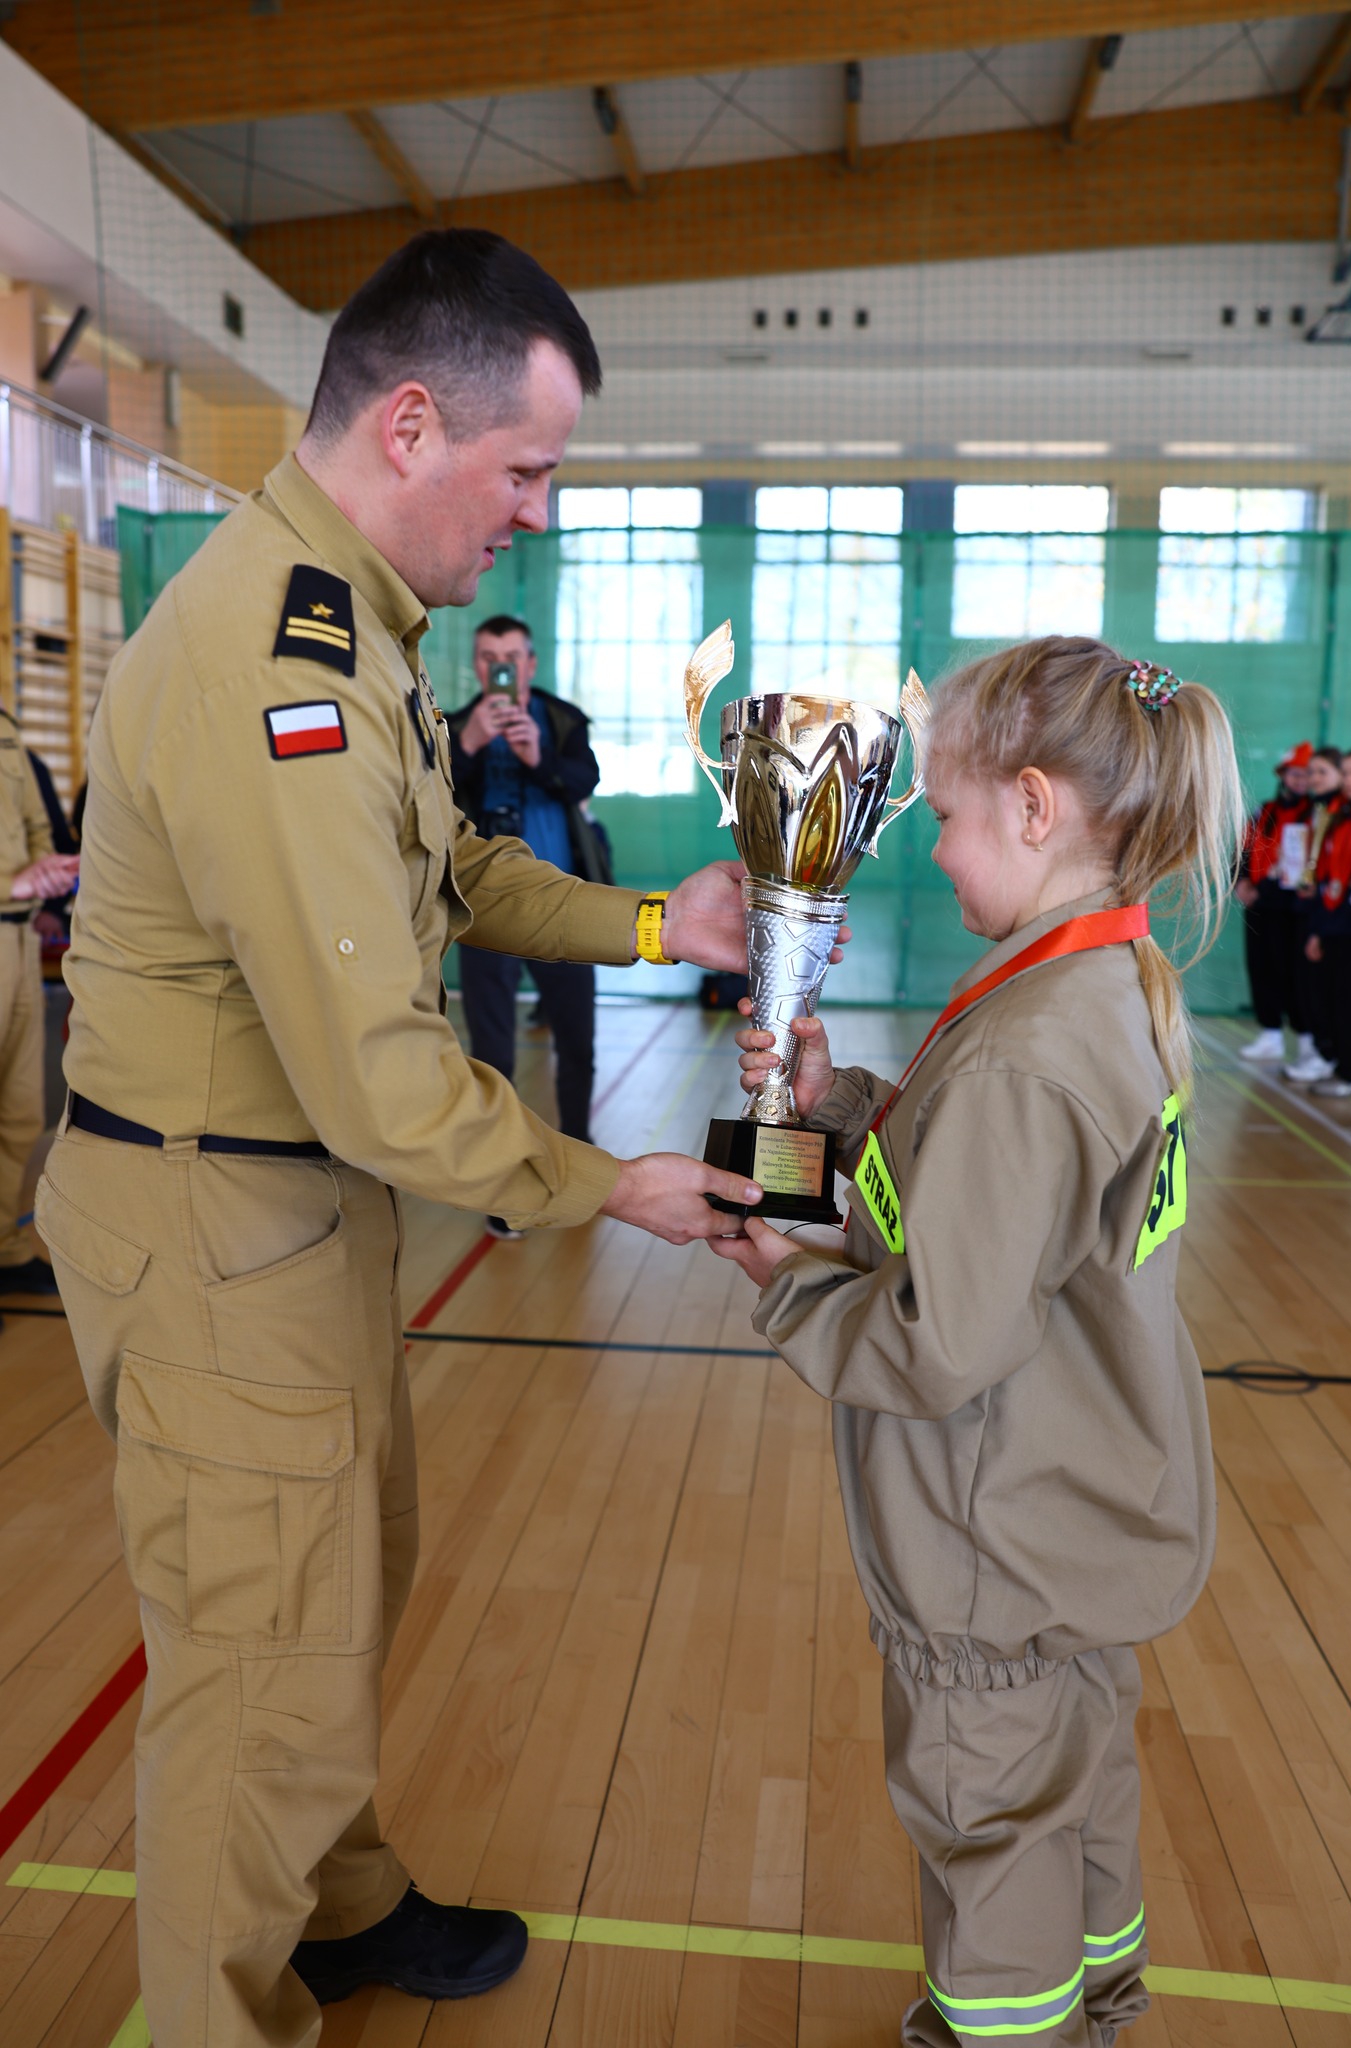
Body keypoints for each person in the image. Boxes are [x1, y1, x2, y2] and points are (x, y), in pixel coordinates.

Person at [33, 228, 806, 2048]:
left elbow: (447, 867)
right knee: (255, 1666)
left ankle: (337, 1902)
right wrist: (607, 1181)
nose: (533, 511)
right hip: (218, 1223)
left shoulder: (351, 619)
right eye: (525, 467)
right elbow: (385, 1075)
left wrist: (652, 926)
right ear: (408, 422)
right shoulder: (270, 667)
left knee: (334, 1583)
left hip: (283, 1220)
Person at [714, 637, 1240, 2048]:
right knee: (1077, 1796)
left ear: (1029, 804)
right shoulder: (1092, 986)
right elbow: (980, 1196)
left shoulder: (1028, 1047)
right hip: (1077, 1518)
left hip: (989, 1541)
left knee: (992, 1828)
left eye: (942, 819)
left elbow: (937, 1340)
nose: (933, 855)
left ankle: (1011, 2028)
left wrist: (779, 1280)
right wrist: (833, 1112)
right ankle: (1099, 2003)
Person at [448, 614, 602, 1238]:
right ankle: (504, 1182)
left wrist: (539, 758)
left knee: (578, 1043)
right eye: (489, 658)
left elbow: (584, 780)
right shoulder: (452, 725)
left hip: (569, 905)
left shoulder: (563, 720)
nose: (501, 668)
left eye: (512, 656)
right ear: (478, 665)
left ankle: (582, 1163)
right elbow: (428, 797)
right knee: (493, 1051)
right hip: (484, 912)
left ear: (531, 663)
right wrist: (467, 747)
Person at [0, 718, 78, 1298]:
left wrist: (45, 872)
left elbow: (35, 823)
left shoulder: (5, 729)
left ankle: (4, 1249)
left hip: (20, 938)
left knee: (21, 1108)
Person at [1234, 740, 1311, 1062]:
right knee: (1261, 967)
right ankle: (1270, 1035)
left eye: (1306, 774)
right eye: (1294, 773)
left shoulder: (1316, 816)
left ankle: (1308, 1039)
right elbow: (1242, 848)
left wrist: (1260, 888)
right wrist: (1240, 882)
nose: (1299, 780)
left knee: (1295, 972)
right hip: (1259, 905)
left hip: (1292, 908)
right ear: (1283, 775)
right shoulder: (1263, 811)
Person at [1303, 745, 1351, 1099]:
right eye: (1349, 774)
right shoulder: (1339, 820)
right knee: (1336, 1000)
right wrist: (1317, 930)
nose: (1350, 781)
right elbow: (1327, 877)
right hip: (1335, 924)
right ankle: (1343, 1067)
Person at [1284, 745, 1344, 1083]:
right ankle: (1319, 1050)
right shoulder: (1316, 809)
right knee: (1304, 984)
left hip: (1332, 912)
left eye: (1322, 772)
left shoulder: (1341, 812)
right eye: (1312, 772)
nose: (1313, 779)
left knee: (1326, 988)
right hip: (1308, 905)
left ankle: (1329, 1054)